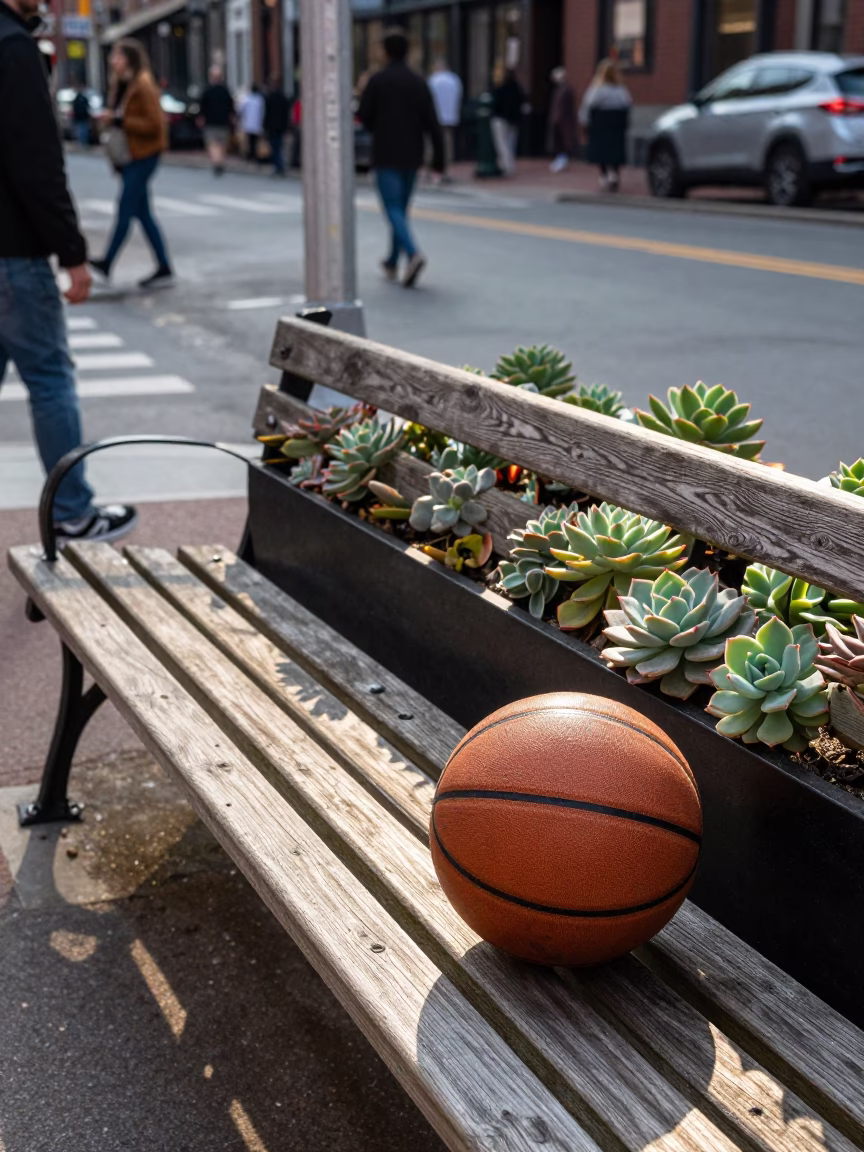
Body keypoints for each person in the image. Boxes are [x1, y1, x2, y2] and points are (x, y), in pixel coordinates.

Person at [0, 0, 137, 543]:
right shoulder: (14, 48)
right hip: (15, 251)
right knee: (50, 379)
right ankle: (73, 512)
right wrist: (72, 253)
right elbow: (37, 165)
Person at [358, 26, 444, 288]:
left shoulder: (377, 80)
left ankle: (412, 253)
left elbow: (364, 116)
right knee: (401, 210)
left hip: (386, 153)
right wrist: (439, 158)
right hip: (412, 154)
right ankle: (392, 261)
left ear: (385, 51)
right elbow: (433, 122)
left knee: (393, 208)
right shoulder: (419, 82)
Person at [89, 38, 173, 289]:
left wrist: (119, 119)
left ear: (129, 59)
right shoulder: (121, 84)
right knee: (143, 213)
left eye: (117, 56)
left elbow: (154, 124)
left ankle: (107, 262)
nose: (112, 60)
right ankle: (164, 266)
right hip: (131, 156)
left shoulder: (142, 85)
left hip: (144, 155)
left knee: (125, 208)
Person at [579, 58, 632, 191]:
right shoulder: (620, 90)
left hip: (600, 125)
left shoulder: (596, 89)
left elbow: (587, 106)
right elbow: (627, 104)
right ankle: (614, 173)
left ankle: (604, 174)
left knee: (601, 150)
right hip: (615, 126)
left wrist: (584, 122)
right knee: (615, 149)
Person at [427, 58, 461, 181]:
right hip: (449, 117)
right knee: (447, 145)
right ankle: (446, 169)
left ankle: (432, 170)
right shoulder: (454, 80)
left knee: (432, 145)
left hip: (435, 117)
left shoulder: (433, 80)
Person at [490, 64, 526, 176]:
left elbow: (496, 103)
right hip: (513, 120)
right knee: (510, 144)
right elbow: (522, 103)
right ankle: (509, 166)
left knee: (502, 144)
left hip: (501, 119)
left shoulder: (501, 89)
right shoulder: (518, 89)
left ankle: (505, 166)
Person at [199, 64, 234, 176]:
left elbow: (202, 107)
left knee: (213, 144)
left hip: (211, 122)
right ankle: (220, 162)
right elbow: (231, 107)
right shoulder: (225, 91)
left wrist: (201, 118)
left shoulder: (207, 91)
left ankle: (217, 162)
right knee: (221, 143)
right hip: (222, 122)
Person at [547, 66, 577, 173]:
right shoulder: (560, 90)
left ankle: (562, 160)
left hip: (563, 121)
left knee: (563, 141)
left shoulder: (565, 90)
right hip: (560, 120)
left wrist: (557, 118)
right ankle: (560, 159)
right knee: (559, 141)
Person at [264, 78, 290, 176]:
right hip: (280, 127)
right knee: (279, 147)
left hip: (272, 127)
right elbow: (286, 114)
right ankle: (280, 166)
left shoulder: (269, 97)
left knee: (275, 148)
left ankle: (278, 166)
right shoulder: (283, 98)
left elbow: (266, 114)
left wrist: (265, 126)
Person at [240, 84, 265, 163]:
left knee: (250, 141)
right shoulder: (260, 99)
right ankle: (254, 155)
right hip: (257, 124)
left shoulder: (247, 99)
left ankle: (250, 155)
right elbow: (263, 112)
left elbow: (241, 110)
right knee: (255, 141)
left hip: (248, 123)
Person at [71, 82, 91, 147]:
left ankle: (82, 142)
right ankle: (81, 142)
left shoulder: (81, 98)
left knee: (82, 130)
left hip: (81, 117)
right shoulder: (78, 98)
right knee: (81, 130)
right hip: (80, 117)